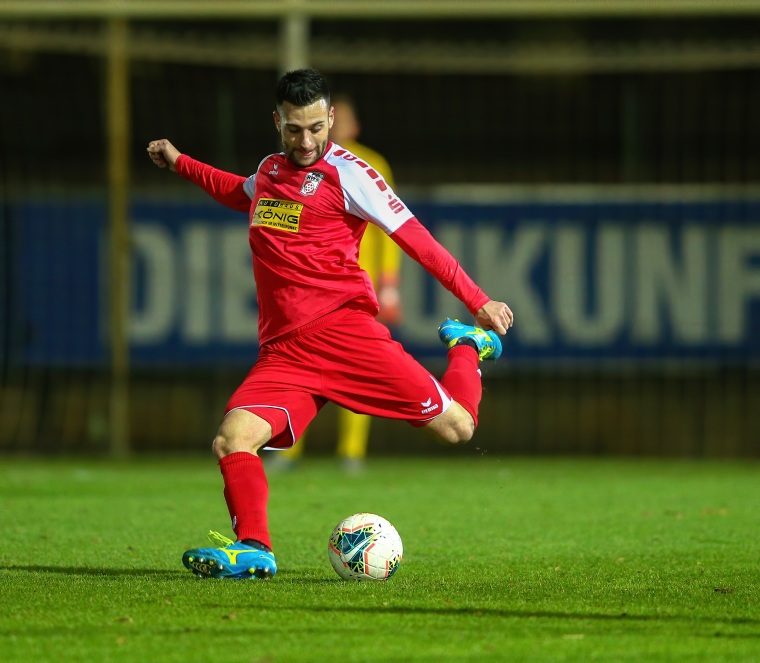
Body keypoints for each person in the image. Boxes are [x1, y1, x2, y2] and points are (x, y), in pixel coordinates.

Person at [147, 68, 513, 580]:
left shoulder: (352, 173)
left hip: (344, 335)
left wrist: (477, 301)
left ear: (332, 119)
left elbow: (416, 239)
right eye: (295, 128)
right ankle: (254, 547)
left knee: (458, 428)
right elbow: (240, 192)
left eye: (317, 127)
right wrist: (182, 163)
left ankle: (467, 347)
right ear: (277, 121)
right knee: (233, 439)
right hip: (284, 352)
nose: (307, 140)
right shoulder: (271, 170)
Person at [275, 92, 402, 472]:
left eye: (343, 120)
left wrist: (390, 285)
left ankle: (351, 453)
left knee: (357, 371)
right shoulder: (299, 166)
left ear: (353, 126)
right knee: (300, 370)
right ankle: (288, 450)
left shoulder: (372, 163)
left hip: (357, 290)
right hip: (311, 289)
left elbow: (390, 229)